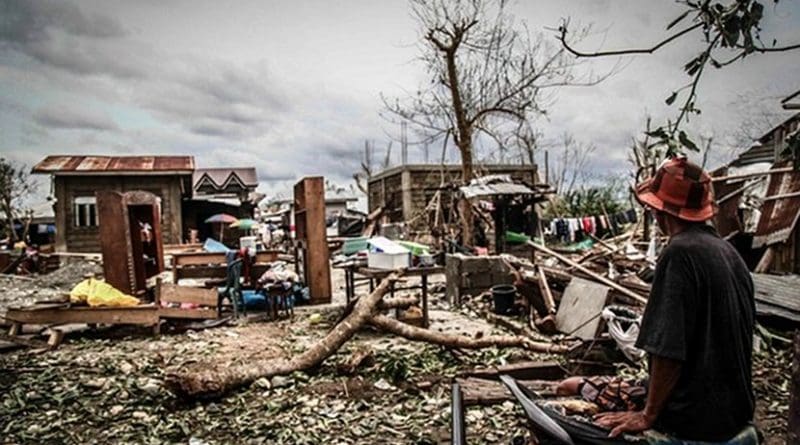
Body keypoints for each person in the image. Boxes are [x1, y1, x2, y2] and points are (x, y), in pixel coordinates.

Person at [595, 157, 756, 441]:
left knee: (583, 402)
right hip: (734, 411)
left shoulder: (680, 253)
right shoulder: (730, 253)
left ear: (660, 211)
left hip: (695, 418)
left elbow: (668, 350)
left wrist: (648, 415)